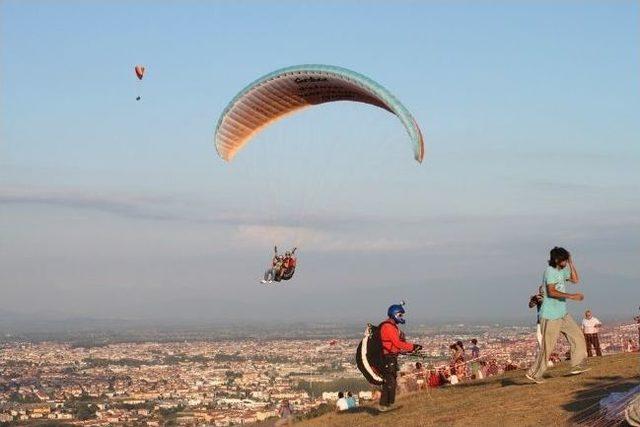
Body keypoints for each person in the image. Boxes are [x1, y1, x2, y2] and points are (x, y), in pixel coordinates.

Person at [526, 247, 589, 384]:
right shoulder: (550, 271)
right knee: (548, 346)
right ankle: (534, 373)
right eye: (564, 259)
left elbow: (575, 279)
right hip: (550, 315)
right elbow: (551, 292)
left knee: (577, 336)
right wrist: (572, 296)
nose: (565, 261)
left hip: (562, 313)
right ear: (556, 260)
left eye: (566, 259)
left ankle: (577, 365)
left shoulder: (562, 271)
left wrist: (571, 263)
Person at [378, 302, 421, 412]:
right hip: (387, 358)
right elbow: (397, 343)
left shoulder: (391, 326)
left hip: (391, 357)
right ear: (395, 314)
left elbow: (396, 345)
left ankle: (387, 405)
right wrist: (413, 346)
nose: (402, 317)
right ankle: (384, 405)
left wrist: (408, 349)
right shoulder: (388, 327)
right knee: (390, 382)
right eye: (400, 315)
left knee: (391, 381)